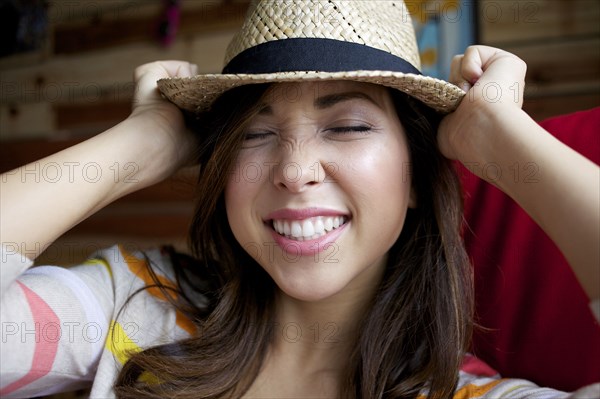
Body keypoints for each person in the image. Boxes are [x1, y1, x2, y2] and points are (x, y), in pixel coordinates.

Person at [1, 1, 598, 398]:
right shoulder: (133, 308)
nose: (293, 171)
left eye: (348, 125)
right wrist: (142, 143)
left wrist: (504, 140)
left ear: (416, 174)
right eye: (255, 134)